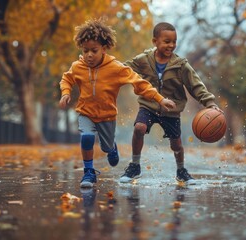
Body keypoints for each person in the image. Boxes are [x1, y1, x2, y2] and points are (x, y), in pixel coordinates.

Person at [59, 19, 176, 188]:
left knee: (106, 148)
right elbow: (67, 78)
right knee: (86, 137)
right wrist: (65, 93)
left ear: (104, 48)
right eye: (85, 51)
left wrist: (160, 99)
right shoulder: (78, 66)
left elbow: (139, 83)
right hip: (86, 112)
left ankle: (111, 147)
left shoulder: (116, 68)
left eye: (94, 50)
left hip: (107, 116)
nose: (89, 55)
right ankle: (89, 172)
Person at [119, 22, 222, 185]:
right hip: (149, 105)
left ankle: (181, 170)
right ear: (155, 41)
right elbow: (122, 69)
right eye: (167, 41)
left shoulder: (181, 65)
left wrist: (209, 102)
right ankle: (134, 166)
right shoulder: (143, 60)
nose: (171, 45)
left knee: (176, 145)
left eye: (174, 41)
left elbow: (196, 85)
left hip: (171, 110)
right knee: (139, 128)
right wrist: (105, 67)